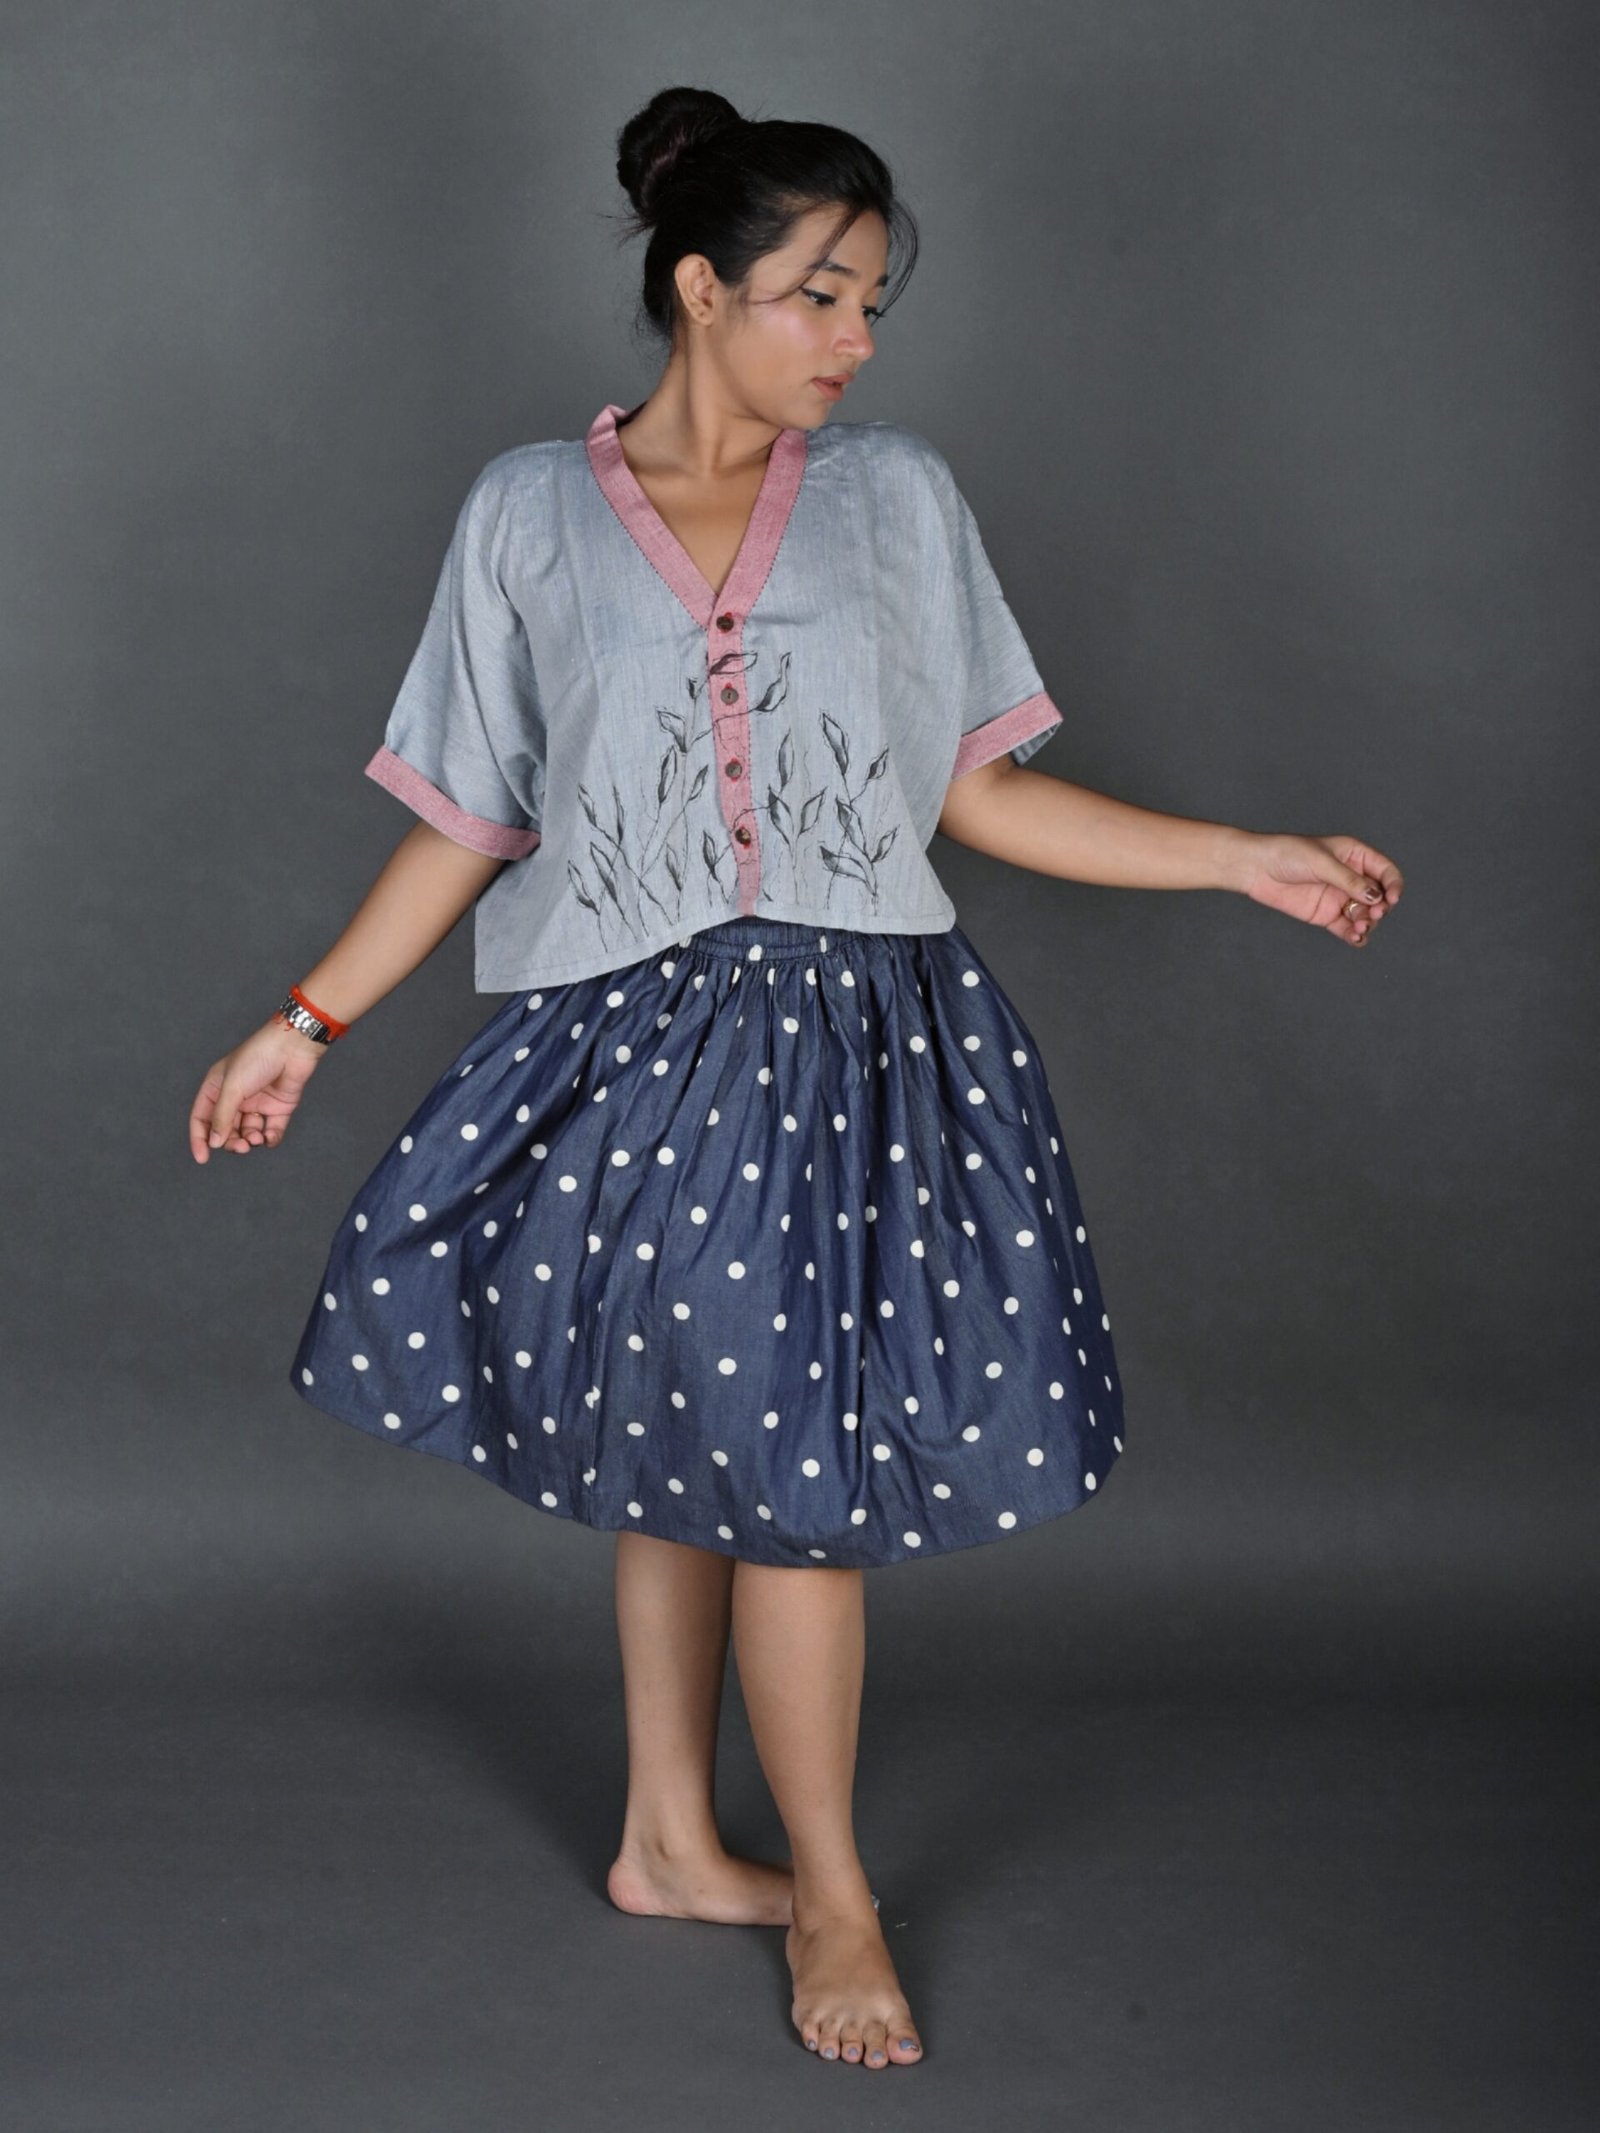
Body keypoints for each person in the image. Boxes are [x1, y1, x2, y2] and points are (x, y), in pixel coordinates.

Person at [187, 85, 1403, 2073]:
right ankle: (758, 1864)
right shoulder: (524, 513)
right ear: (699, 287)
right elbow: (465, 816)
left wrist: (1237, 856)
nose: (853, 339)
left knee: (771, 1461)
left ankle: (727, 1852)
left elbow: (972, 792)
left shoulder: (896, 497)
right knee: (705, 1449)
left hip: (859, 1055)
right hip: (629, 1054)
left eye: (870, 304)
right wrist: (300, 1022)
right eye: (816, 294)